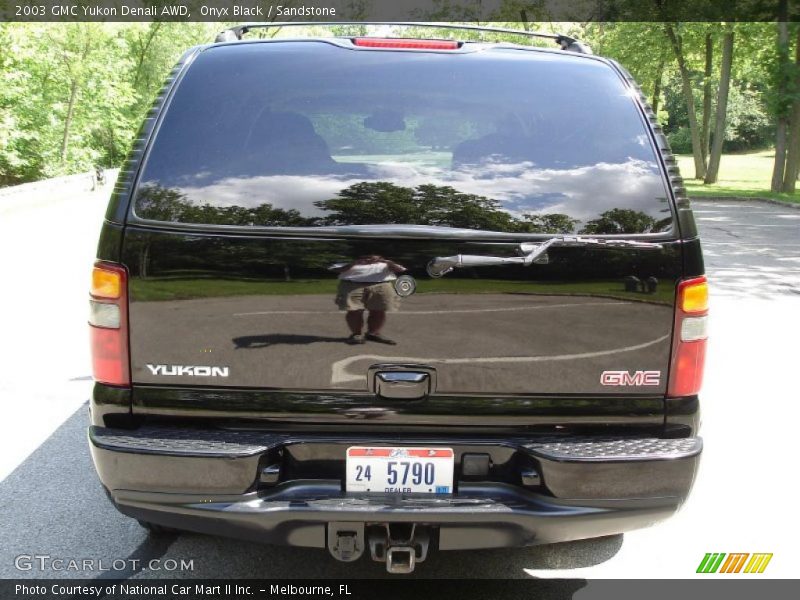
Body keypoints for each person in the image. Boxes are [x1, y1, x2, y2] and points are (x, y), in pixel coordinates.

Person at [332, 255, 407, 345]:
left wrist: (385, 261)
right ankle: (357, 335)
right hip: (352, 285)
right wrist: (355, 263)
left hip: (381, 285)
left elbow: (400, 269)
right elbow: (336, 269)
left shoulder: (385, 260)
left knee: (379, 310)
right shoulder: (348, 257)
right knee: (354, 310)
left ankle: (373, 333)